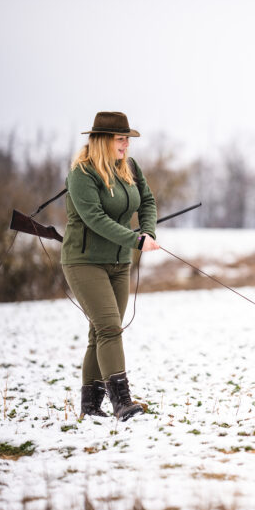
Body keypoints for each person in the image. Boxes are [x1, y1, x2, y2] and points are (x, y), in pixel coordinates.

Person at [61, 111, 160, 421]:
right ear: (102, 139)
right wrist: (135, 240)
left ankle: (90, 407)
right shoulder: (82, 174)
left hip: (119, 264)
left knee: (99, 332)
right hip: (85, 262)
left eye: (128, 140)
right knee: (110, 328)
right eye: (121, 139)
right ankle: (122, 403)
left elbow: (147, 201)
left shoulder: (129, 167)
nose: (126, 145)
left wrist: (148, 231)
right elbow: (96, 220)